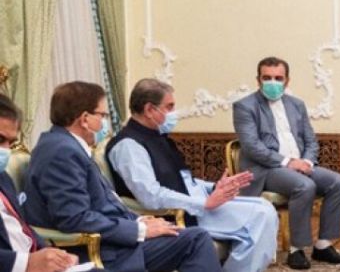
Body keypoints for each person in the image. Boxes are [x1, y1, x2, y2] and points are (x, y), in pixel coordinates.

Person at [22, 81, 221, 272]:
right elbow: (75, 218)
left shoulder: (67, 145)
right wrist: (139, 230)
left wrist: (140, 221)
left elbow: (106, 201)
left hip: (115, 240)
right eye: (102, 115)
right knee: (196, 240)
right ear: (84, 119)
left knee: (190, 236)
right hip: (100, 250)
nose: (105, 122)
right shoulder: (62, 152)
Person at [106, 78, 279, 272]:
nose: (174, 113)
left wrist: (215, 187)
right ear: (149, 110)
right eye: (169, 107)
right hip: (180, 212)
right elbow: (150, 195)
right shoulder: (128, 146)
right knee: (261, 216)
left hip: (197, 202)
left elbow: (182, 178)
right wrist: (203, 203)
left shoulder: (157, 136)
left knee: (265, 207)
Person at [233, 57, 340, 270]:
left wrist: (306, 161)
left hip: (300, 164)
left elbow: (310, 140)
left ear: (287, 80)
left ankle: (323, 245)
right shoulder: (245, 106)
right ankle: (296, 249)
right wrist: (288, 162)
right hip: (267, 169)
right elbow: (252, 147)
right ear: (258, 80)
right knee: (304, 186)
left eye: (278, 78)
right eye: (267, 78)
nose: (273, 82)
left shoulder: (296, 105)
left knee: (339, 183)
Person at [0, 94, 103, 272]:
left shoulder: (3, 178)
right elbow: (74, 217)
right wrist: (25, 262)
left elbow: (23, 230)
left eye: (11, 142)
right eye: (0, 140)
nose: (6, 150)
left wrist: (54, 254)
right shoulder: (61, 151)